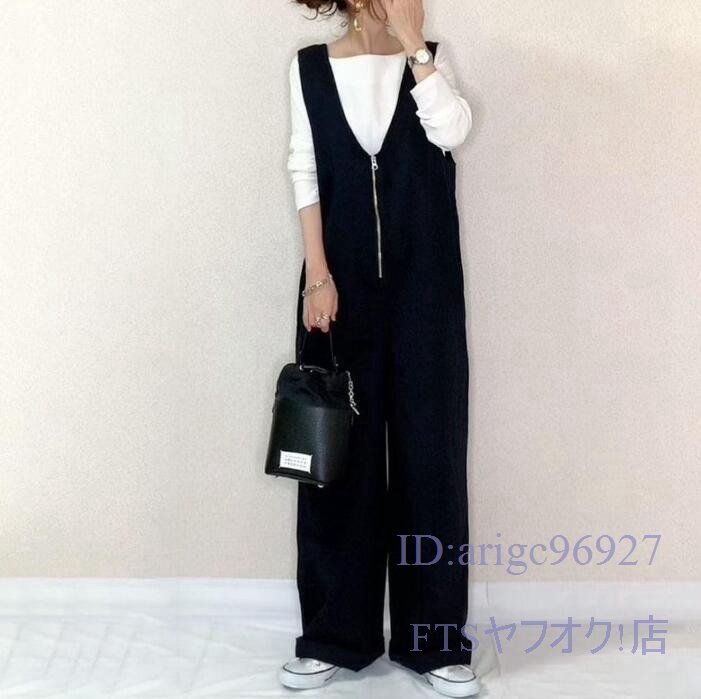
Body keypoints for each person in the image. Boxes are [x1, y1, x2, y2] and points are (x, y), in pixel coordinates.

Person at [280, 1, 479, 696]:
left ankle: (434, 641)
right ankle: (334, 634)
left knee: (431, 458)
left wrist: (414, 47)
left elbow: (453, 130)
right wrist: (318, 276)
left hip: (426, 289)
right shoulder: (309, 69)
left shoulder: (429, 61)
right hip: (338, 292)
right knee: (338, 462)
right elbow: (304, 172)